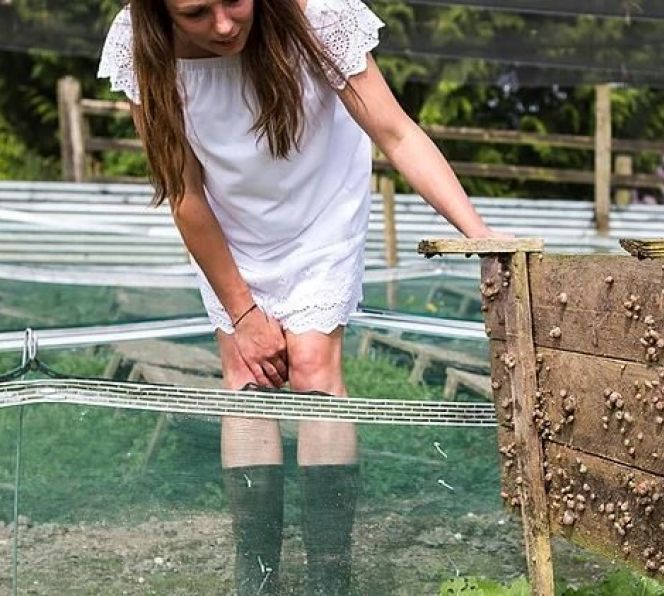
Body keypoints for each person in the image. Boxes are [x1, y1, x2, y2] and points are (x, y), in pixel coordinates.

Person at [98, 1, 503, 593]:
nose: (223, 25)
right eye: (194, 12)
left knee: (314, 365)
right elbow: (184, 194)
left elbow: (396, 132)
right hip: (225, 218)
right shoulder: (138, 42)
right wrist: (243, 312)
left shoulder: (319, 15)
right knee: (246, 372)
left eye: (235, 0)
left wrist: (482, 238)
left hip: (320, 204)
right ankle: (255, 578)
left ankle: (328, 579)